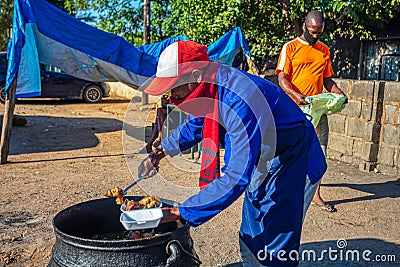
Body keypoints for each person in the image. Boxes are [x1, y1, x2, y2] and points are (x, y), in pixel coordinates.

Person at [137, 40, 327, 266]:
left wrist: (182, 211)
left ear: (195, 77)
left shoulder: (239, 98)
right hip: (263, 157)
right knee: (252, 232)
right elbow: (196, 125)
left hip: (294, 157)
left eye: (173, 87)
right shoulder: (209, 86)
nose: (170, 96)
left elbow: (236, 175)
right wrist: (160, 152)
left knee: (276, 239)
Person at [276, 10, 345, 213]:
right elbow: (282, 79)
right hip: (294, 109)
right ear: (305, 26)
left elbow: (327, 80)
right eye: (313, 32)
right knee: (289, 152)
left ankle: (315, 194)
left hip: (317, 108)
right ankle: (282, 190)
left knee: (320, 152)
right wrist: (297, 97)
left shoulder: (323, 50)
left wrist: (338, 92)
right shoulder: (291, 47)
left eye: (319, 32)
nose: (316, 36)